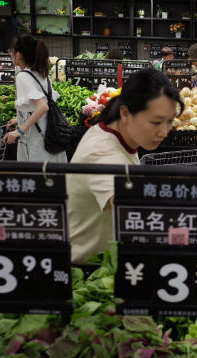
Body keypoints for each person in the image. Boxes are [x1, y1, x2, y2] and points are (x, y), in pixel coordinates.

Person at [67, 69, 184, 264]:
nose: (164, 132)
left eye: (170, 121)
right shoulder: (101, 153)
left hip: (109, 261)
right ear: (125, 113)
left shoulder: (117, 131)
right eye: (155, 122)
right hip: (89, 272)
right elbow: (131, 211)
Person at [3, 34, 67, 162]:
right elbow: (43, 105)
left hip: (38, 143)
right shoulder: (42, 73)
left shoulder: (23, 77)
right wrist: (19, 120)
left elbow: (43, 106)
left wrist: (19, 131)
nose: (10, 54)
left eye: (12, 51)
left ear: (19, 54)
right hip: (52, 138)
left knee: (35, 179)